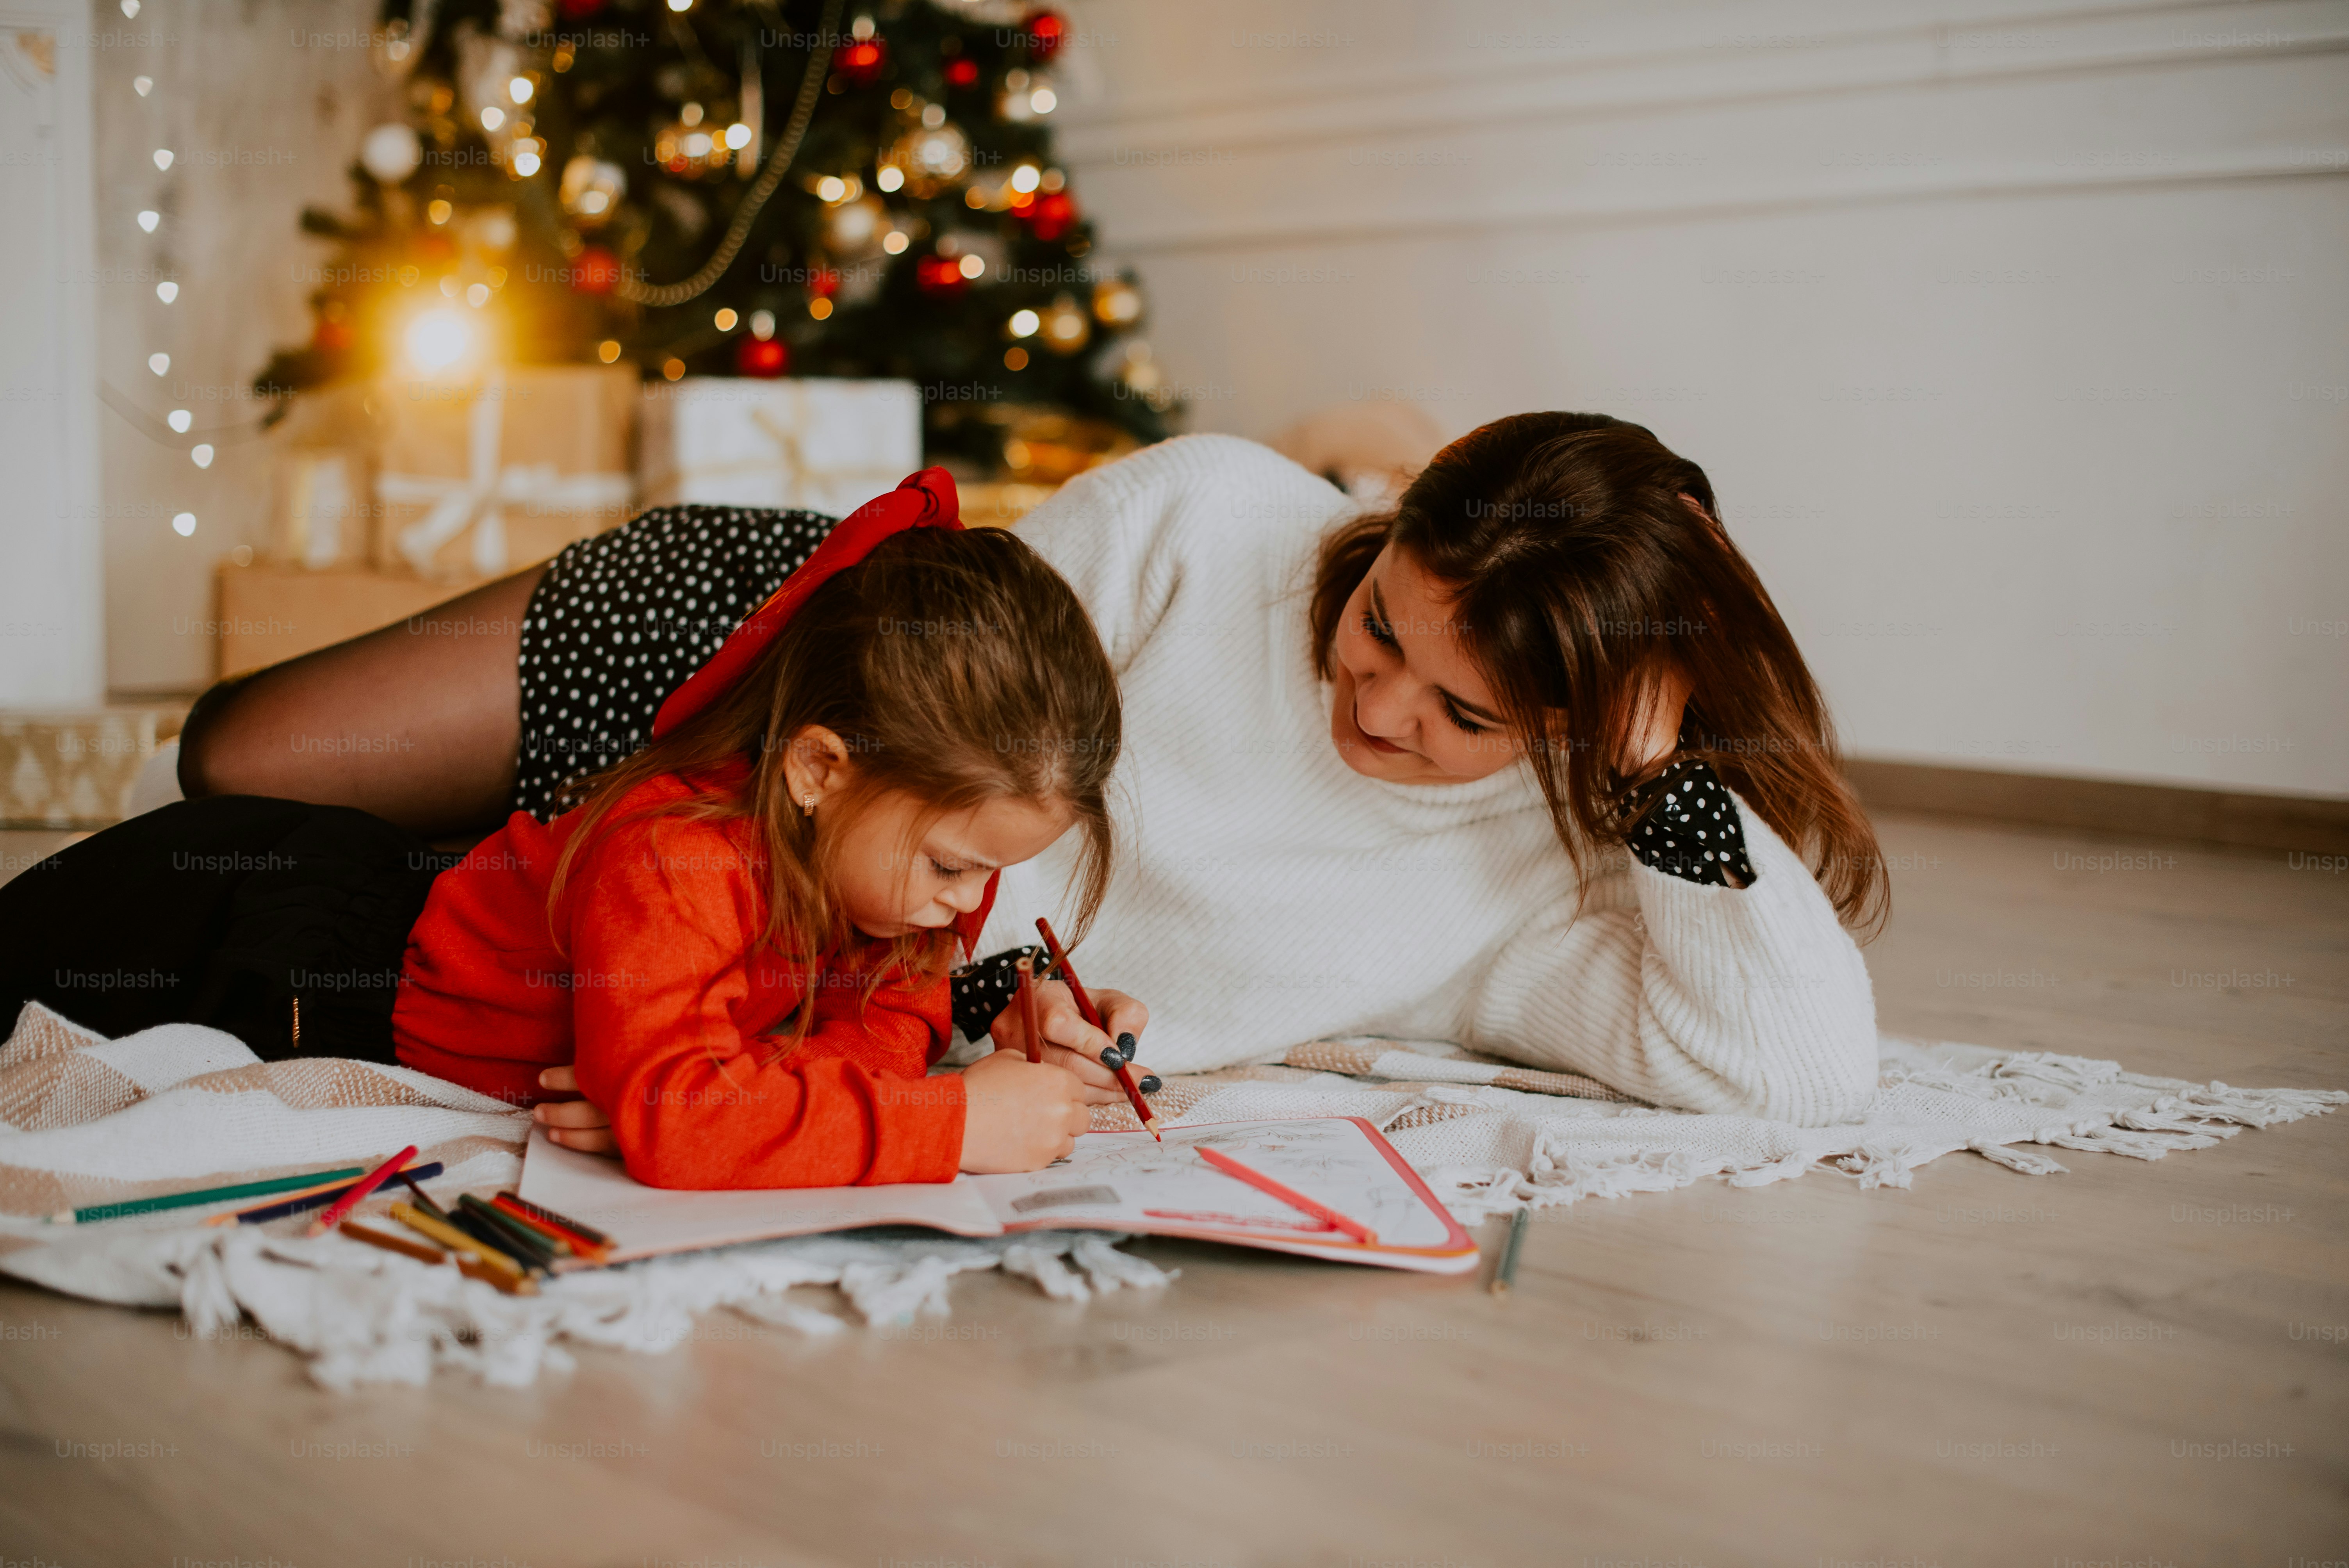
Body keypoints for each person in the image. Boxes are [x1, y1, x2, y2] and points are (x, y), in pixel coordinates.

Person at [174, 412, 1889, 1139]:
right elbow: (925, 707)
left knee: (389, 927)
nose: (1378, 710)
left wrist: (1674, 784)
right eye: (1380, 626)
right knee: (233, 761)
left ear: (1588, 725)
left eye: (1463, 717)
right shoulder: (1222, 515)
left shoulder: (1540, 884)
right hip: (776, 676)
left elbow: (1800, 1071)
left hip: (815, 923)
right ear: (1386, 535)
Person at [0, 473, 1139, 1187]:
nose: (965, 906)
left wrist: (729, 1106)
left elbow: (860, 1049)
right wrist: (949, 1125)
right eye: (951, 866)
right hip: (286, 944)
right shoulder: (679, 853)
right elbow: (693, 1121)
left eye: (990, 874)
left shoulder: (903, 889)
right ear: (818, 770)